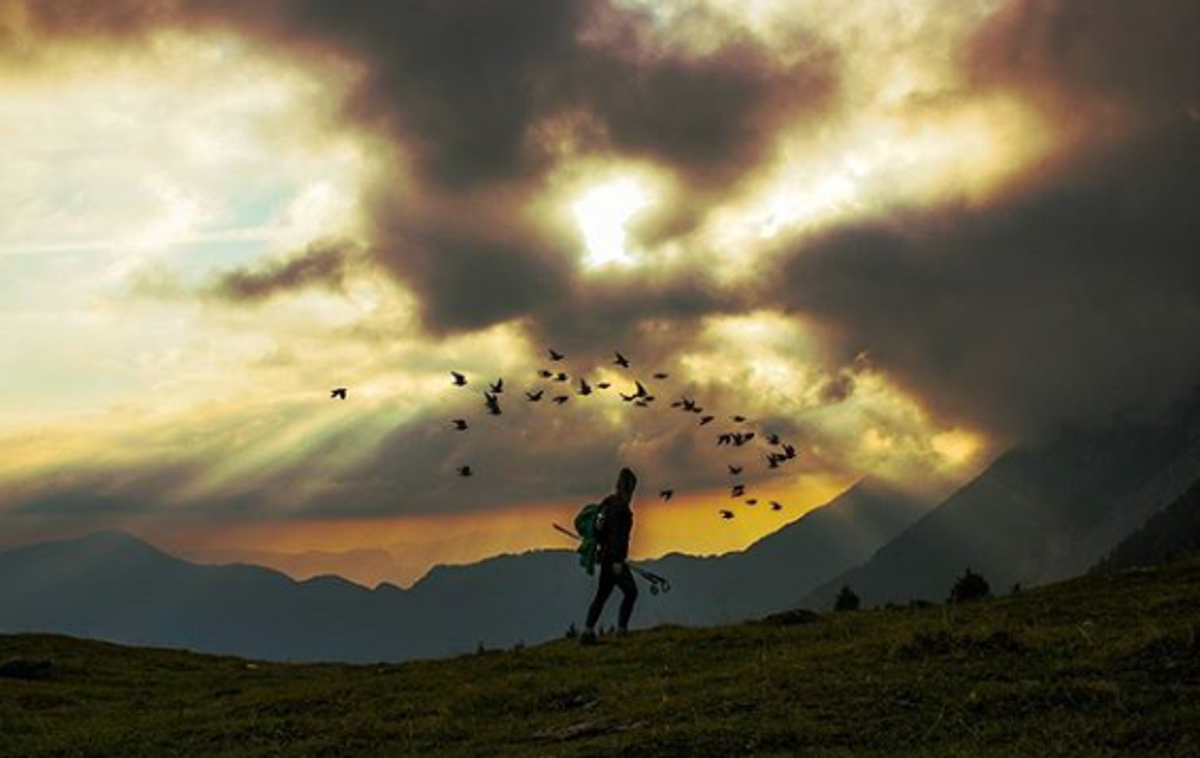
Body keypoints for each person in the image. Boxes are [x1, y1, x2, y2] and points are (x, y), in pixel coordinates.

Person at [581, 467, 639, 645]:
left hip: (606, 556)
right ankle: (621, 630)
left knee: (602, 595)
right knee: (631, 592)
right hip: (614, 560)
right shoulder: (624, 512)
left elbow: (598, 526)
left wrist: (599, 547)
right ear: (630, 489)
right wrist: (618, 561)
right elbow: (620, 539)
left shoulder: (607, 503)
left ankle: (588, 631)